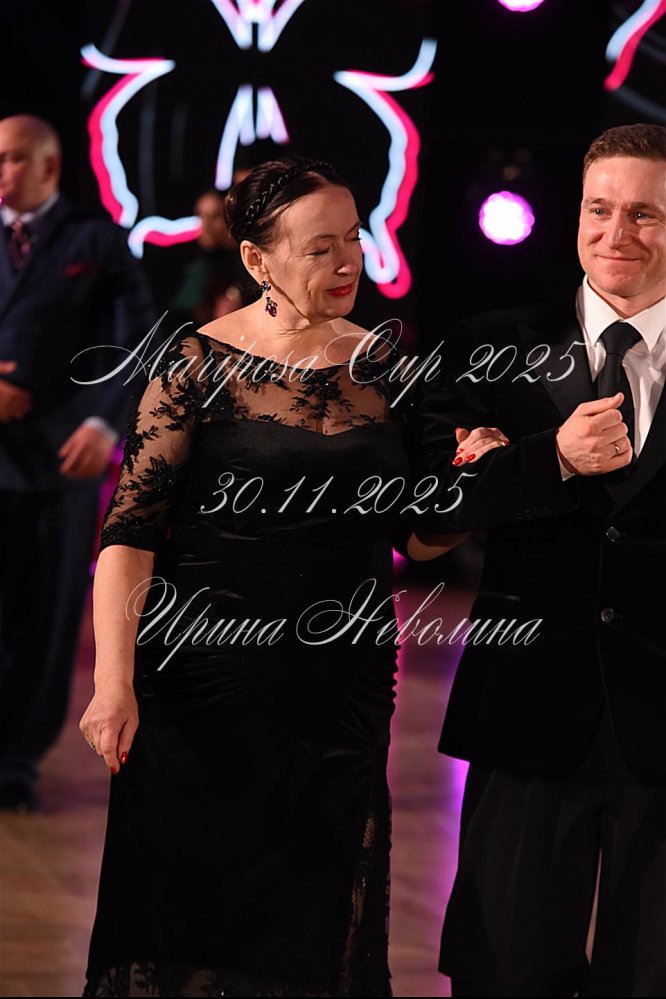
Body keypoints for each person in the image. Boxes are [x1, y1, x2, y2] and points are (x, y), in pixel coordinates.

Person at [78, 154, 503, 997]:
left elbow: (421, 540)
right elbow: (130, 533)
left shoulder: (394, 372)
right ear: (257, 259)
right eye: (319, 248)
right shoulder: (193, 366)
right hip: (199, 681)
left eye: (352, 238)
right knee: (185, 903)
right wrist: (112, 682)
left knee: (319, 905)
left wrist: (474, 480)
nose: (347, 262)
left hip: (337, 683)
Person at [412, 122, 666, 996]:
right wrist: (545, 459)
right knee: (505, 971)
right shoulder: (489, 343)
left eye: (646, 214)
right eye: (600, 209)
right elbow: (422, 521)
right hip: (525, 712)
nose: (617, 233)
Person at [0, 114, 155, 813]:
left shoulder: (96, 240)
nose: (3, 173)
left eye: (13, 159)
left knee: (48, 618)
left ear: (49, 165)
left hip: (62, 463)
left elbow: (137, 341)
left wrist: (102, 422)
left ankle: (16, 763)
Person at [168, 187, 247, 328]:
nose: (206, 224)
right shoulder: (192, 260)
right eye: (201, 215)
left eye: (214, 216)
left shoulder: (244, 262)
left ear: (229, 219)